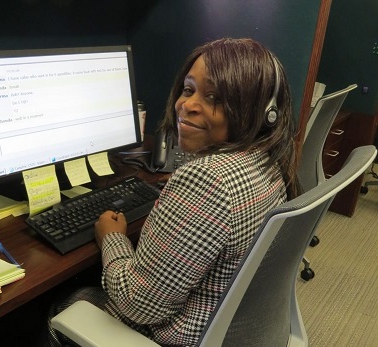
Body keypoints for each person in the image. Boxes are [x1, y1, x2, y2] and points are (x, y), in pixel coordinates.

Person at [43, 37, 301, 347]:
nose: (188, 105)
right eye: (188, 90)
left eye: (214, 97)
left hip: (174, 337)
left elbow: (138, 305)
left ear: (262, 113)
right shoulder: (269, 159)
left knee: (65, 301)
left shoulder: (208, 180)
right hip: (238, 328)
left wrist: (112, 238)